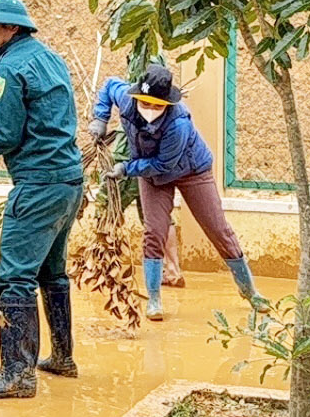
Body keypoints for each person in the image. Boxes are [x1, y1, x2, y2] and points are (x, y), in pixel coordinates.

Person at [0, 0, 84, 397]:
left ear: (14, 28)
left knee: (13, 277)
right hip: (68, 180)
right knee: (51, 272)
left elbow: (6, 134)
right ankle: (62, 357)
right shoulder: (48, 57)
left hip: (39, 184)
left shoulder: (9, 69)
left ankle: (16, 375)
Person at [95, 63, 265, 319]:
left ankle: (249, 290)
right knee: (154, 231)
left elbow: (164, 164)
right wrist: (100, 118)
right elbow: (109, 85)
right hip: (151, 175)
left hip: (190, 170)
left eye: (157, 106)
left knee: (218, 230)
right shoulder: (127, 101)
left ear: (168, 104)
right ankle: (154, 299)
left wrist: (126, 168)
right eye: (145, 104)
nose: (150, 110)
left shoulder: (179, 125)